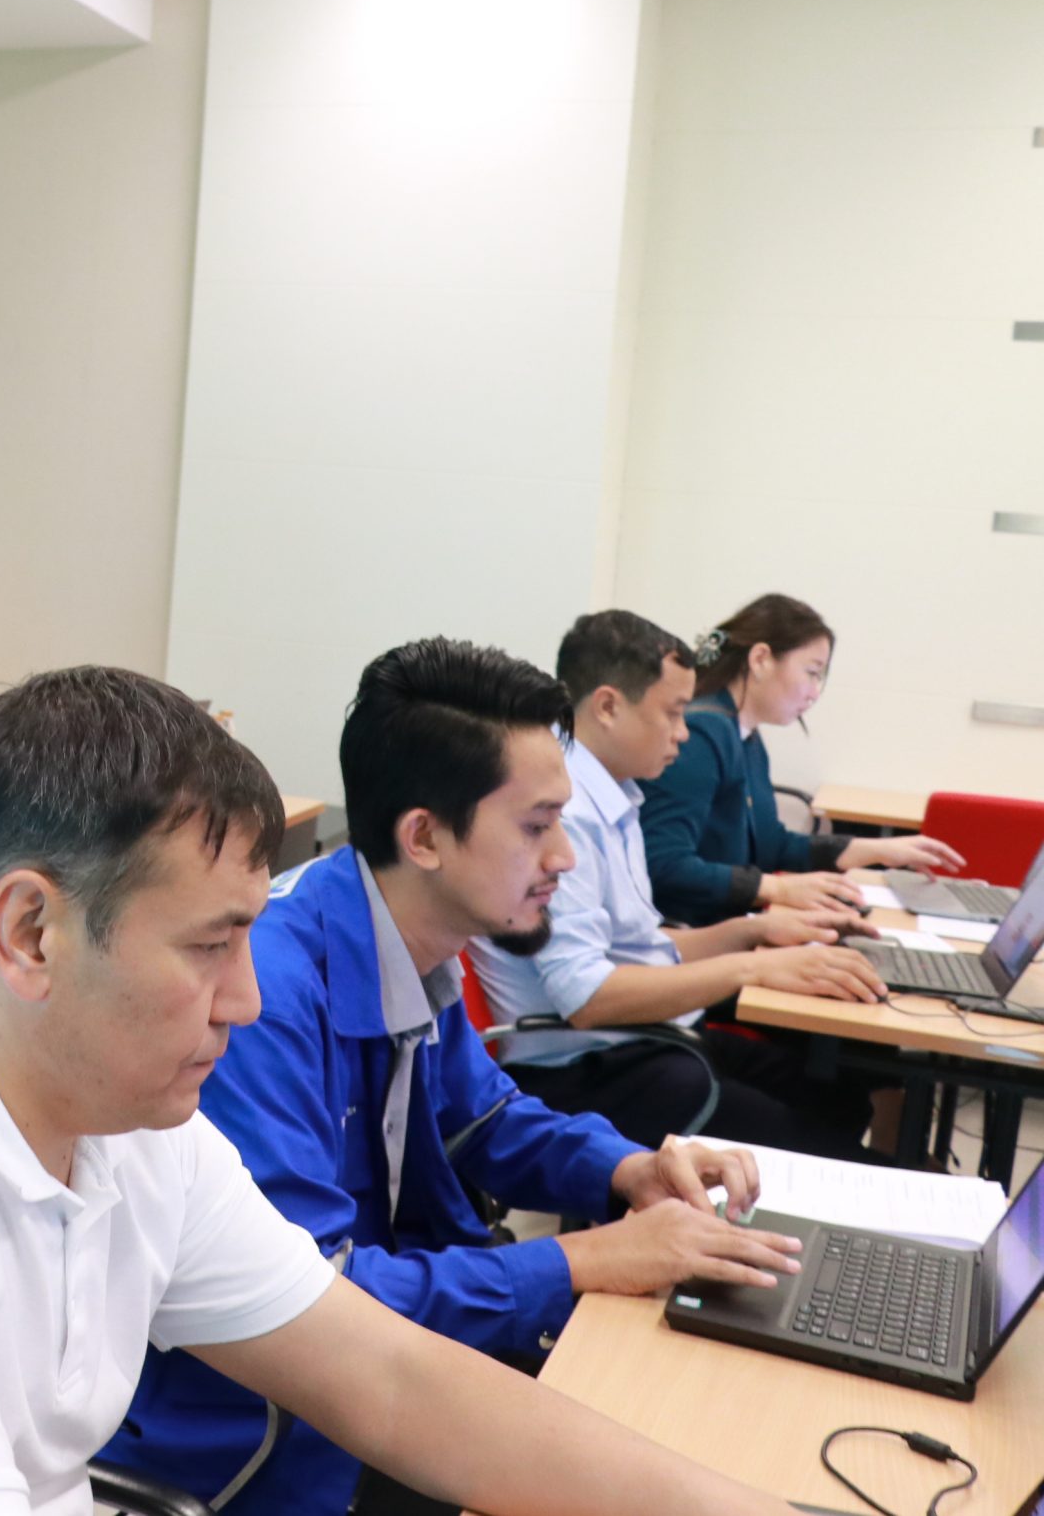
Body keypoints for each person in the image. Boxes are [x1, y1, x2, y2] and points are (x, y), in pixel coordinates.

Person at [0, 666, 801, 1516]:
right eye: (210, 947)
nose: (247, 1001)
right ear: (31, 934)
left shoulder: (123, 1116)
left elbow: (389, 1382)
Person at [109, 639, 801, 1516]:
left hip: (395, 1375)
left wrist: (626, 1169)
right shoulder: (267, 997)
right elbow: (318, 1298)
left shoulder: (411, 939)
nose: (565, 857)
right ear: (425, 836)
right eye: (537, 825)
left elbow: (486, 1118)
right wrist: (581, 1257)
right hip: (283, 1438)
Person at [469, 611, 889, 1157]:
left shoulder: (612, 794)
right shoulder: (565, 813)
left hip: (642, 1039)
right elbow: (586, 997)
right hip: (588, 1067)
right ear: (608, 707)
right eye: (672, 713)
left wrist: (753, 932)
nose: (683, 732)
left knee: (841, 1100)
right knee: (835, 1150)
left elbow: (635, 946)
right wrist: (752, 966)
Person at [638, 595, 961, 927]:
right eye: (811, 673)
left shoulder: (744, 735)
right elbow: (664, 864)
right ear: (760, 659)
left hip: (727, 924)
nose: (814, 692)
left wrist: (875, 850)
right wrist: (776, 888)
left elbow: (771, 844)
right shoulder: (701, 735)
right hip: (691, 935)